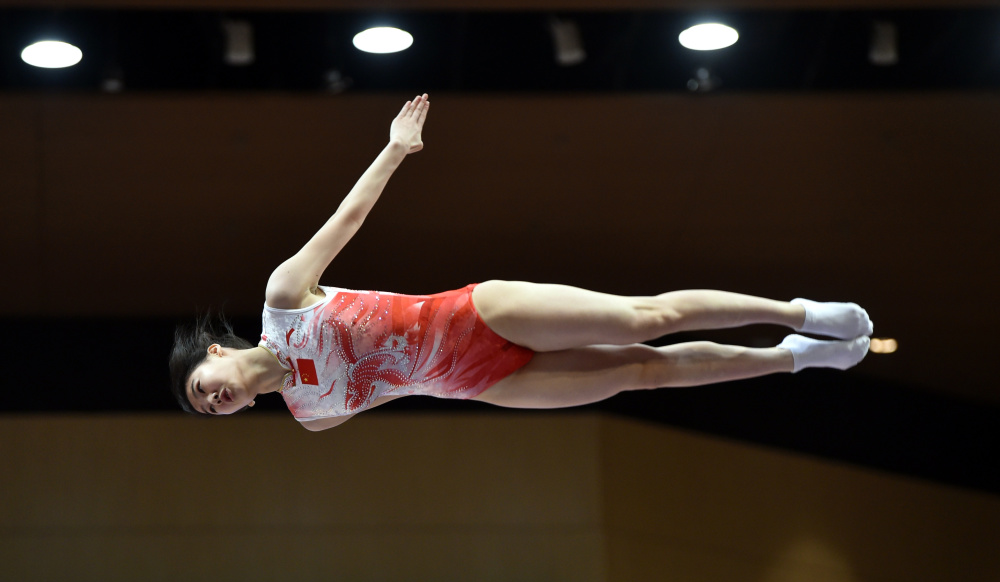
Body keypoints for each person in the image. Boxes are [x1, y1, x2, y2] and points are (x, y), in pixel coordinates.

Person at [170, 94, 873, 431]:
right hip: (476, 382)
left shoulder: (285, 298)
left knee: (643, 318)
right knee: (641, 372)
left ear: (214, 350)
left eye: (203, 384)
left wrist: (394, 147)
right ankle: (793, 356)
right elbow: (397, 384)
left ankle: (797, 311)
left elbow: (348, 220)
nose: (212, 399)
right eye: (207, 407)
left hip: (475, 310)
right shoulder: (311, 414)